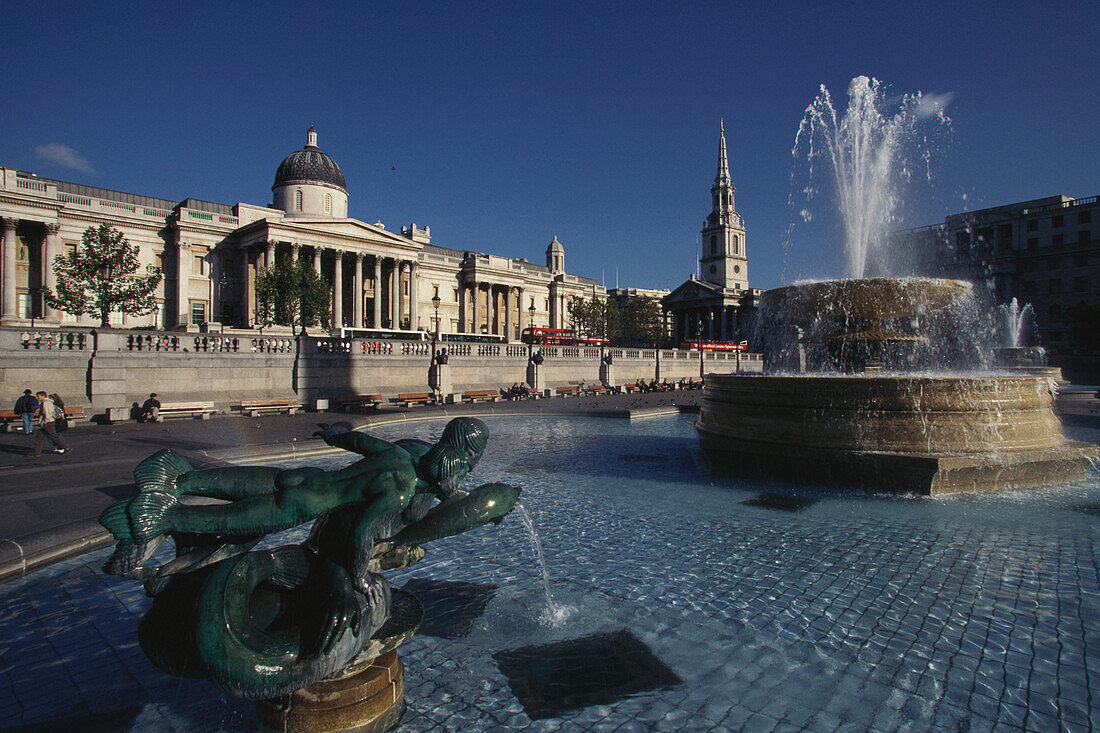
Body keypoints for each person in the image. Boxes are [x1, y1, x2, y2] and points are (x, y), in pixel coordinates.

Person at [31, 391, 70, 456]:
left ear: (43, 396)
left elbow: (47, 413)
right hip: (45, 422)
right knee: (39, 437)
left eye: (38, 396)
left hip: (47, 423)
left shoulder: (46, 403)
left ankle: (65, 447)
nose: (37, 398)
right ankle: (36, 451)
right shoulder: (45, 402)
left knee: (53, 436)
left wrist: (46, 421)